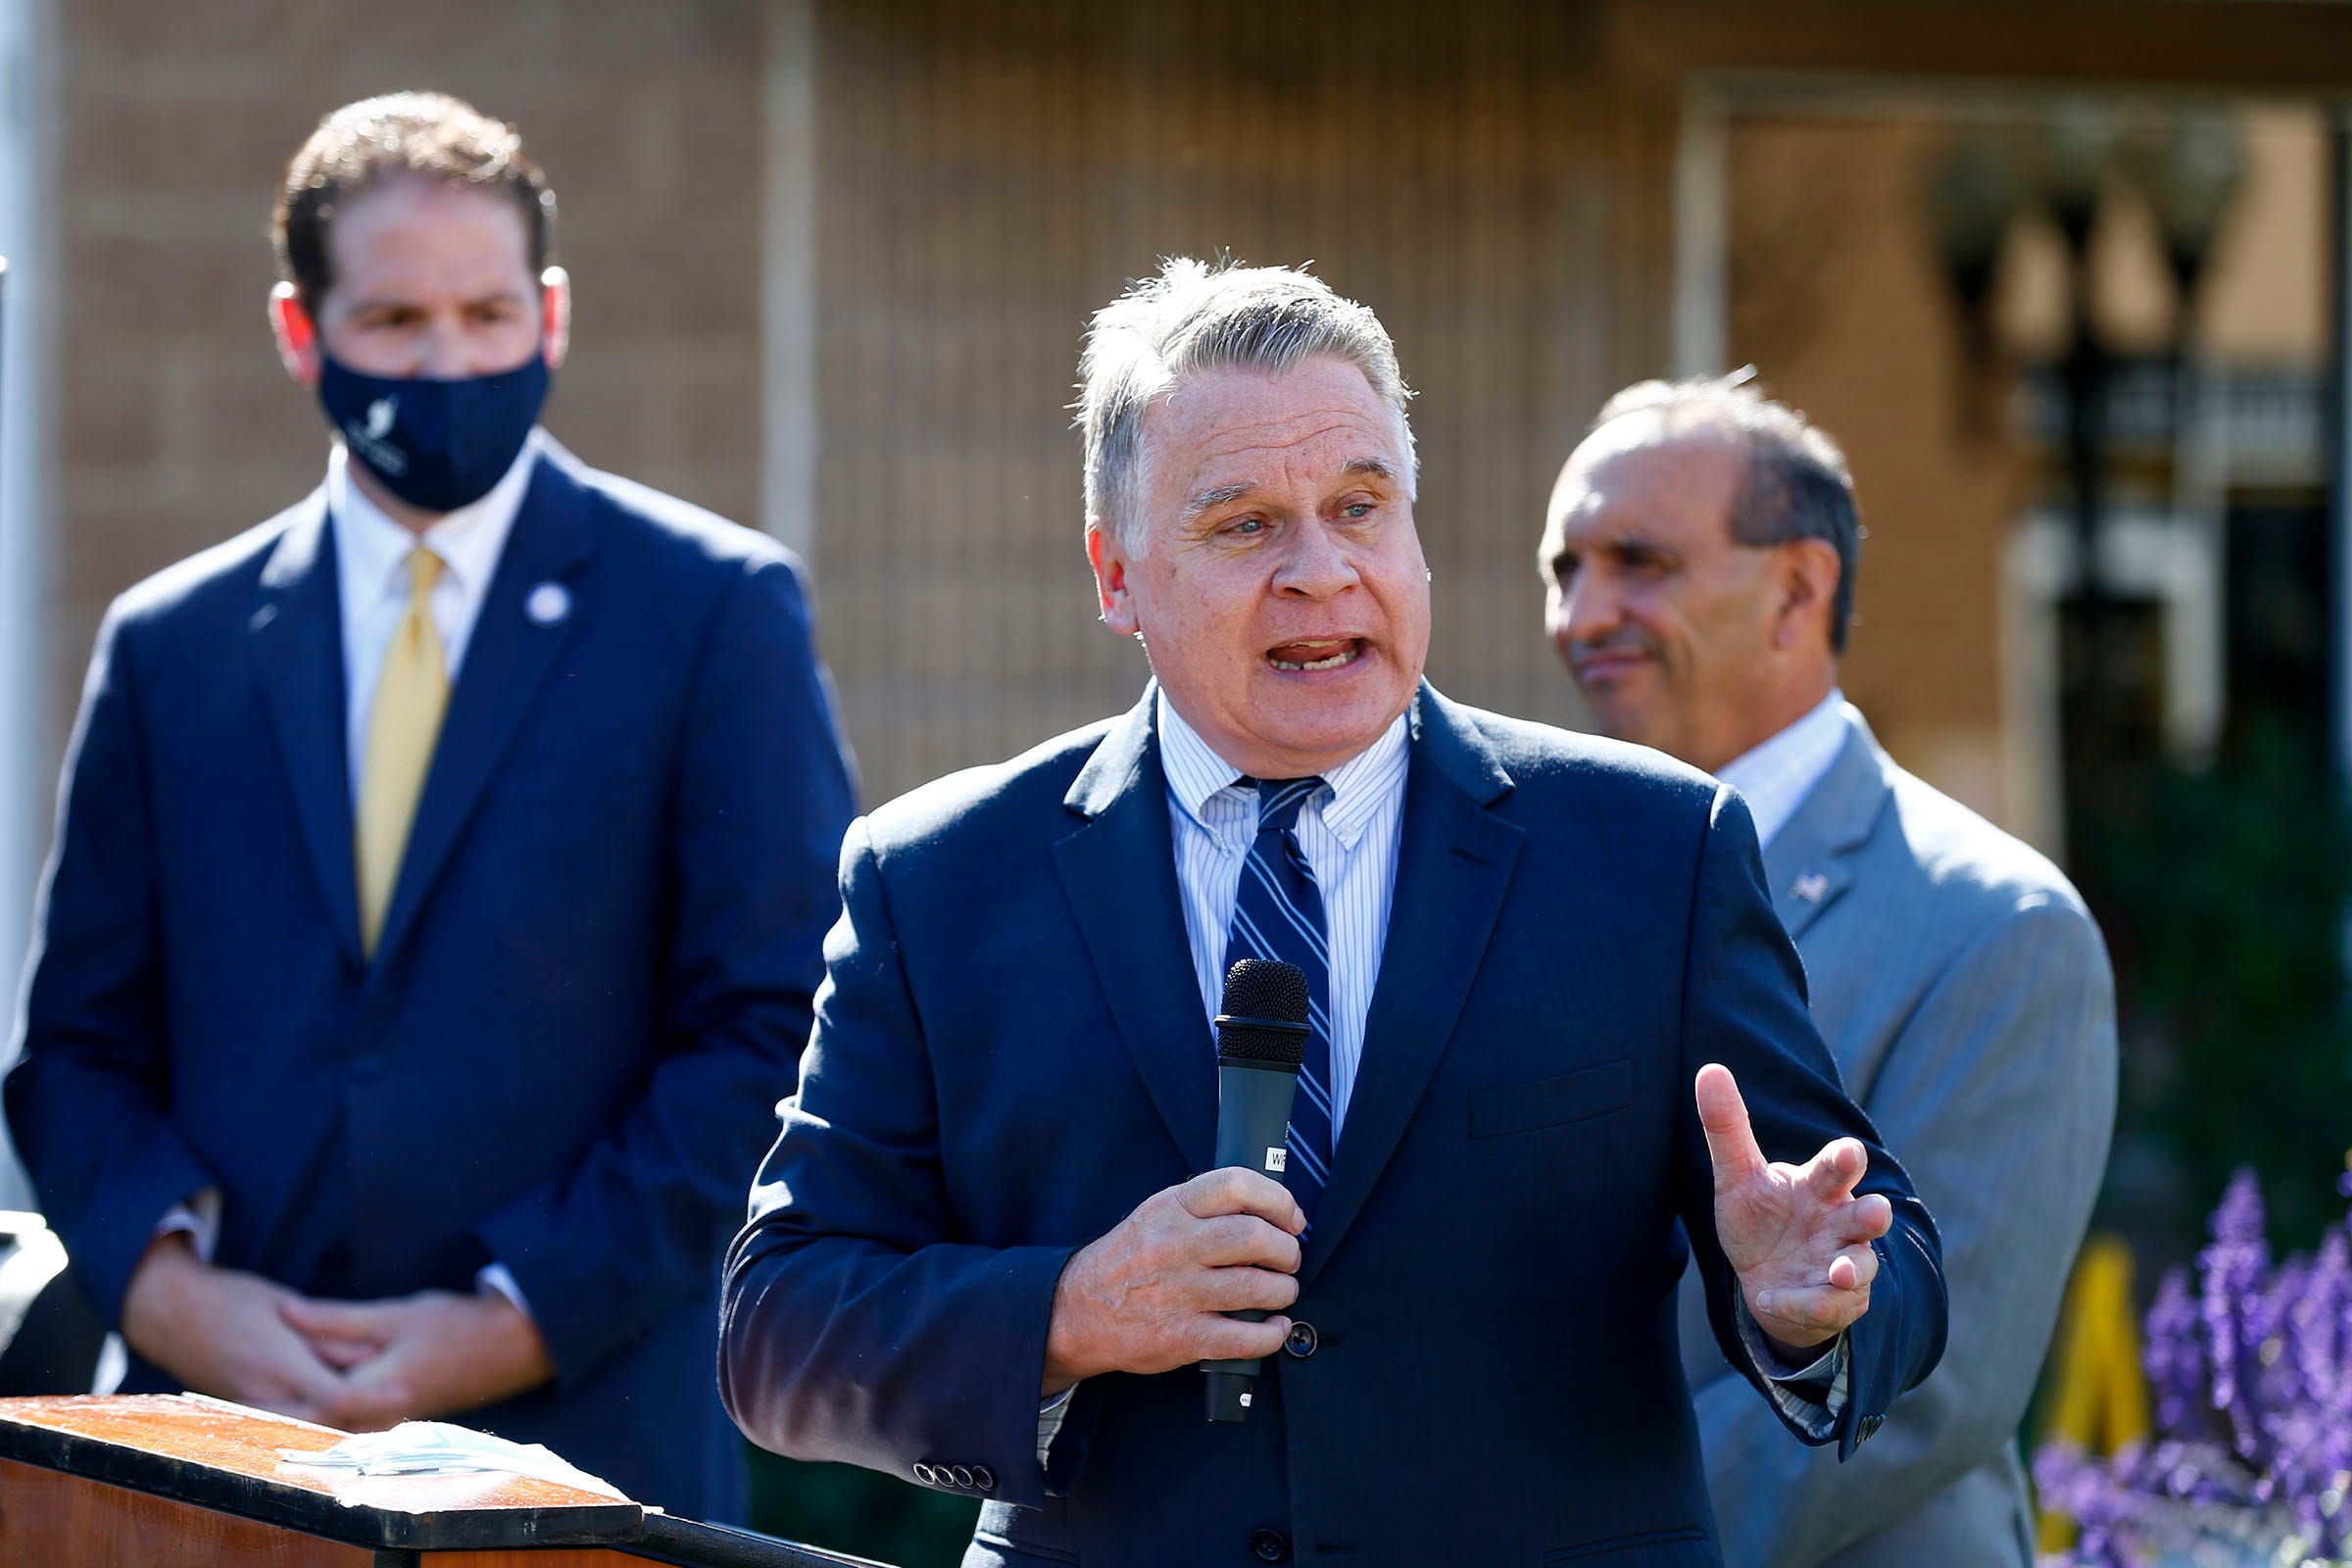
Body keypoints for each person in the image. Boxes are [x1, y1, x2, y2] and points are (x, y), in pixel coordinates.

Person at [720, 260, 1946, 1567]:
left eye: (1360, 507)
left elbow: (1888, 1257)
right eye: (1244, 524)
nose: (1322, 571)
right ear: (1117, 573)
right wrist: (1070, 1310)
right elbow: (781, 1329)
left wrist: (1807, 1306)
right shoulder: (940, 879)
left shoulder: (1653, 851)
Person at [6, 92, 857, 1521]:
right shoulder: (173, 646)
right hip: (216, 1465)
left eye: (488, 312)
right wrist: (180, 1305)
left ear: (555, 315)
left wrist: (508, 1316)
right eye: (395, 321)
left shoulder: (714, 612)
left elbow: (774, 1030)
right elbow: (78, 1047)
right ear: (300, 333)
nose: (449, 359)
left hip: (587, 1457)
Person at [1540, 374, 2116, 1566]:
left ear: (1800, 587)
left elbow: (1927, 1392)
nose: (1585, 613)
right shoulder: (1537, 881)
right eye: (1565, 568)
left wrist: (1573, 1546)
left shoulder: (1998, 927)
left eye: (1639, 562)